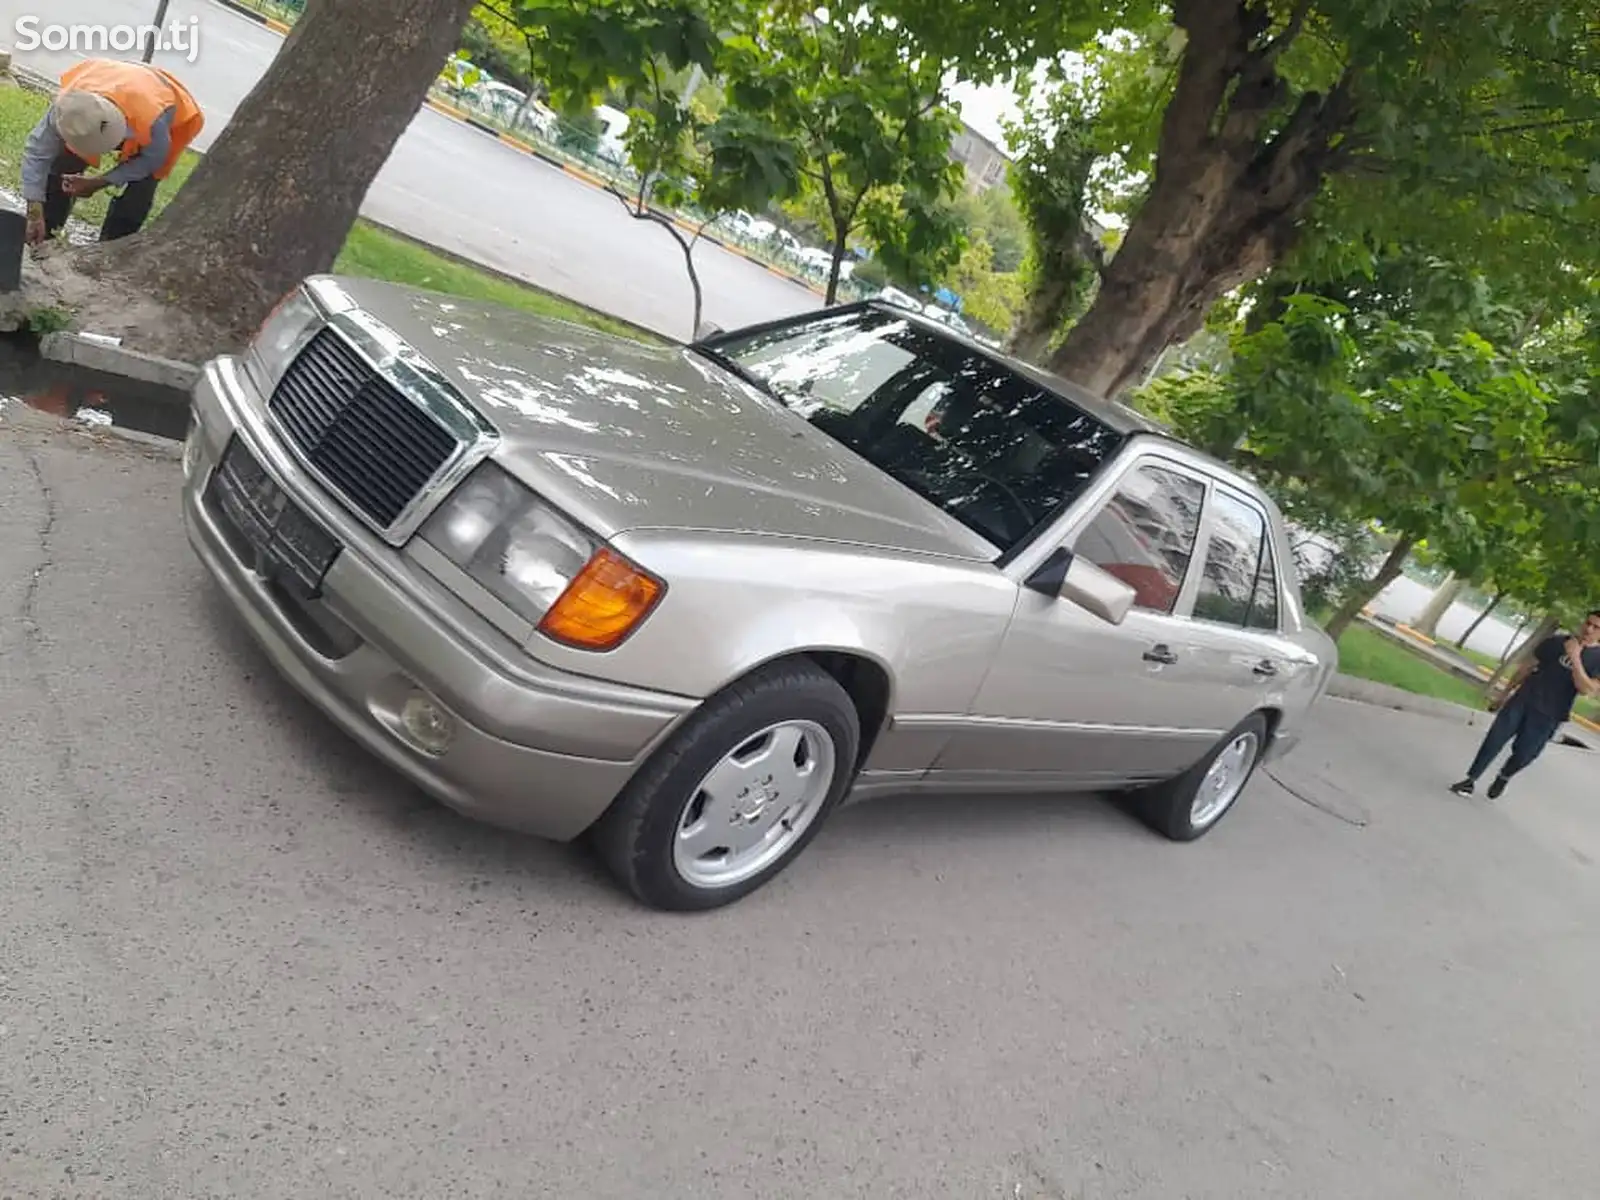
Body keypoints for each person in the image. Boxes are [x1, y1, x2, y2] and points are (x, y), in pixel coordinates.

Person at [21, 59, 204, 247]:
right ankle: (46, 234)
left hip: (161, 103)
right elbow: (37, 152)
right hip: (111, 81)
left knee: (141, 187)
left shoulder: (153, 123)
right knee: (63, 165)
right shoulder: (68, 108)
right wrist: (34, 211)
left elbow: (151, 160)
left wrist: (101, 181)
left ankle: (113, 245)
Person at [1450, 610, 1600, 798]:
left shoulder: (1597, 658)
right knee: (1495, 738)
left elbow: (1587, 689)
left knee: (1525, 754)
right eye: (1588, 623)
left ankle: (1504, 775)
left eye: (1596, 627)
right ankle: (1470, 780)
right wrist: (1504, 693)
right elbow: (1527, 667)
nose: (1589, 629)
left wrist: (1576, 658)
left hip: (1549, 714)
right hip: (1524, 699)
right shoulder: (1555, 642)